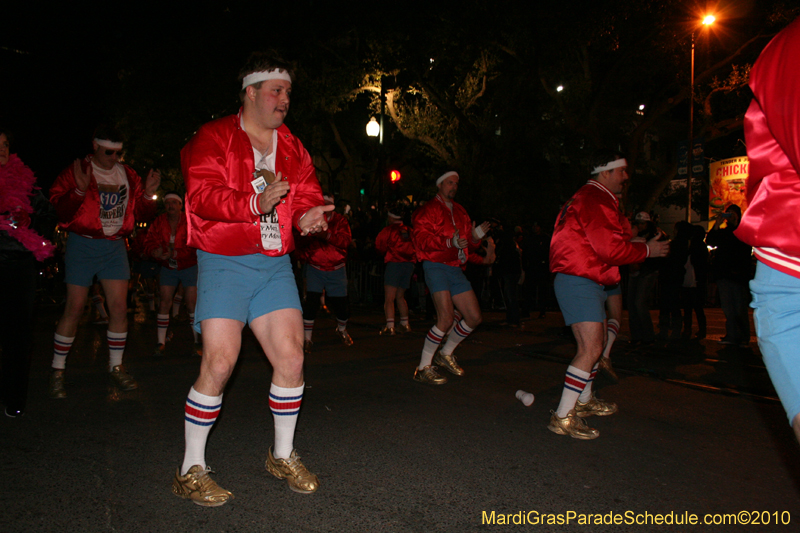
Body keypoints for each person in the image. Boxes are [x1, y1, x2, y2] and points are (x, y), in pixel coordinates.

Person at [173, 51, 333, 506]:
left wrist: (307, 217)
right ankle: (189, 470)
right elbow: (201, 195)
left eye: (288, 92)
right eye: (276, 91)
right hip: (223, 259)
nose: (285, 100)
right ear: (250, 91)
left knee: (292, 358)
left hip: (273, 264)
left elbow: (305, 196)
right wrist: (252, 204)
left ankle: (281, 455)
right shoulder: (214, 136)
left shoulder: (293, 146)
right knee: (220, 363)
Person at [548, 150, 669, 439]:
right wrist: (647, 250)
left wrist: (637, 242)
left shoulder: (591, 196)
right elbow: (609, 250)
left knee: (595, 345)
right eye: (621, 171)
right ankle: (562, 417)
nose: (626, 177)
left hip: (583, 277)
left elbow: (603, 241)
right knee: (590, 349)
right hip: (579, 278)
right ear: (605, 172)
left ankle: (584, 400)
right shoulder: (595, 198)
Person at [48, 125, 160, 398]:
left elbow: (140, 214)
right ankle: (57, 371)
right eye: (109, 152)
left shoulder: (128, 174)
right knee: (75, 308)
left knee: (119, 308)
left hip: (114, 246)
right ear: (95, 146)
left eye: (118, 153)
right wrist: (78, 191)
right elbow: (58, 209)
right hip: (83, 243)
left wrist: (148, 195)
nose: (114, 158)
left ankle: (116, 367)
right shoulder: (78, 170)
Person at [733, 17, 800, 443]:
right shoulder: (792, 46)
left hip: (786, 263)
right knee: (593, 340)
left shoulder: (783, 46)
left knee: (598, 336)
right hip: (791, 260)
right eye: (620, 170)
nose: (626, 176)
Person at [410, 171, 490, 385]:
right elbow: (421, 240)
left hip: (455, 268)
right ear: (439, 184)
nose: (453, 186)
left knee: (474, 317)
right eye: (449, 182)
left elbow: (465, 245)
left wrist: (475, 238)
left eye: (456, 183)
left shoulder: (461, 211)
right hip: (435, 265)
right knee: (445, 319)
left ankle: (445, 353)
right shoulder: (427, 210)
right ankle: (422, 368)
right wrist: (448, 243)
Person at [0, 128, 56, 417]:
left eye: (5, 144)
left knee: (18, 335)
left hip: (19, 266)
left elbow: (48, 216)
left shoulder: (25, 182)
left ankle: (14, 396)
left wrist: (29, 223)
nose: (2, 149)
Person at [142, 191, 200, 356]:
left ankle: (197, 341)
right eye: (168, 203)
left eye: (174, 202)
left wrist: (174, 253)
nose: (171, 206)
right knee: (164, 302)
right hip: (168, 267)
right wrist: (155, 251)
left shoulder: (189, 220)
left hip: (189, 266)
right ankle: (160, 342)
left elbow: (196, 243)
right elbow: (149, 241)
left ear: (181, 205)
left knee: (191, 303)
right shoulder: (159, 221)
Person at [295, 192, 353, 351]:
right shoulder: (311, 219)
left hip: (337, 269)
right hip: (315, 268)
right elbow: (301, 241)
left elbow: (345, 241)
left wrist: (326, 236)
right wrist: (304, 257)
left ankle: (341, 329)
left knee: (342, 306)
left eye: (328, 206)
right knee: (311, 303)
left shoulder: (340, 221)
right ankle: (307, 339)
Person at [707, 205, 752, 346]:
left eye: (733, 213)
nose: (730, 216)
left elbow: (746, 248)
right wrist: (717, 223)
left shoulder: (743, 231)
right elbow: (710, 241)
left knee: (739, 308)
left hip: (739, 275)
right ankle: (732, 335)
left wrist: (737, 223)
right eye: (728, 213)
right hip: (724, 274)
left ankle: (743, 336)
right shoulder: (723, 232)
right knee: (728, 308)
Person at [375, 205, 416, 335]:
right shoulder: (410, 231)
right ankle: (405, 324)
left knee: (389, 298)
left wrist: (383, 253)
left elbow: (379, 245)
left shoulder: (389, 230)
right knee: (400, 296)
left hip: (394, 263)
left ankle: (390, 326)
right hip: (409, 265)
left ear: (391, 218)